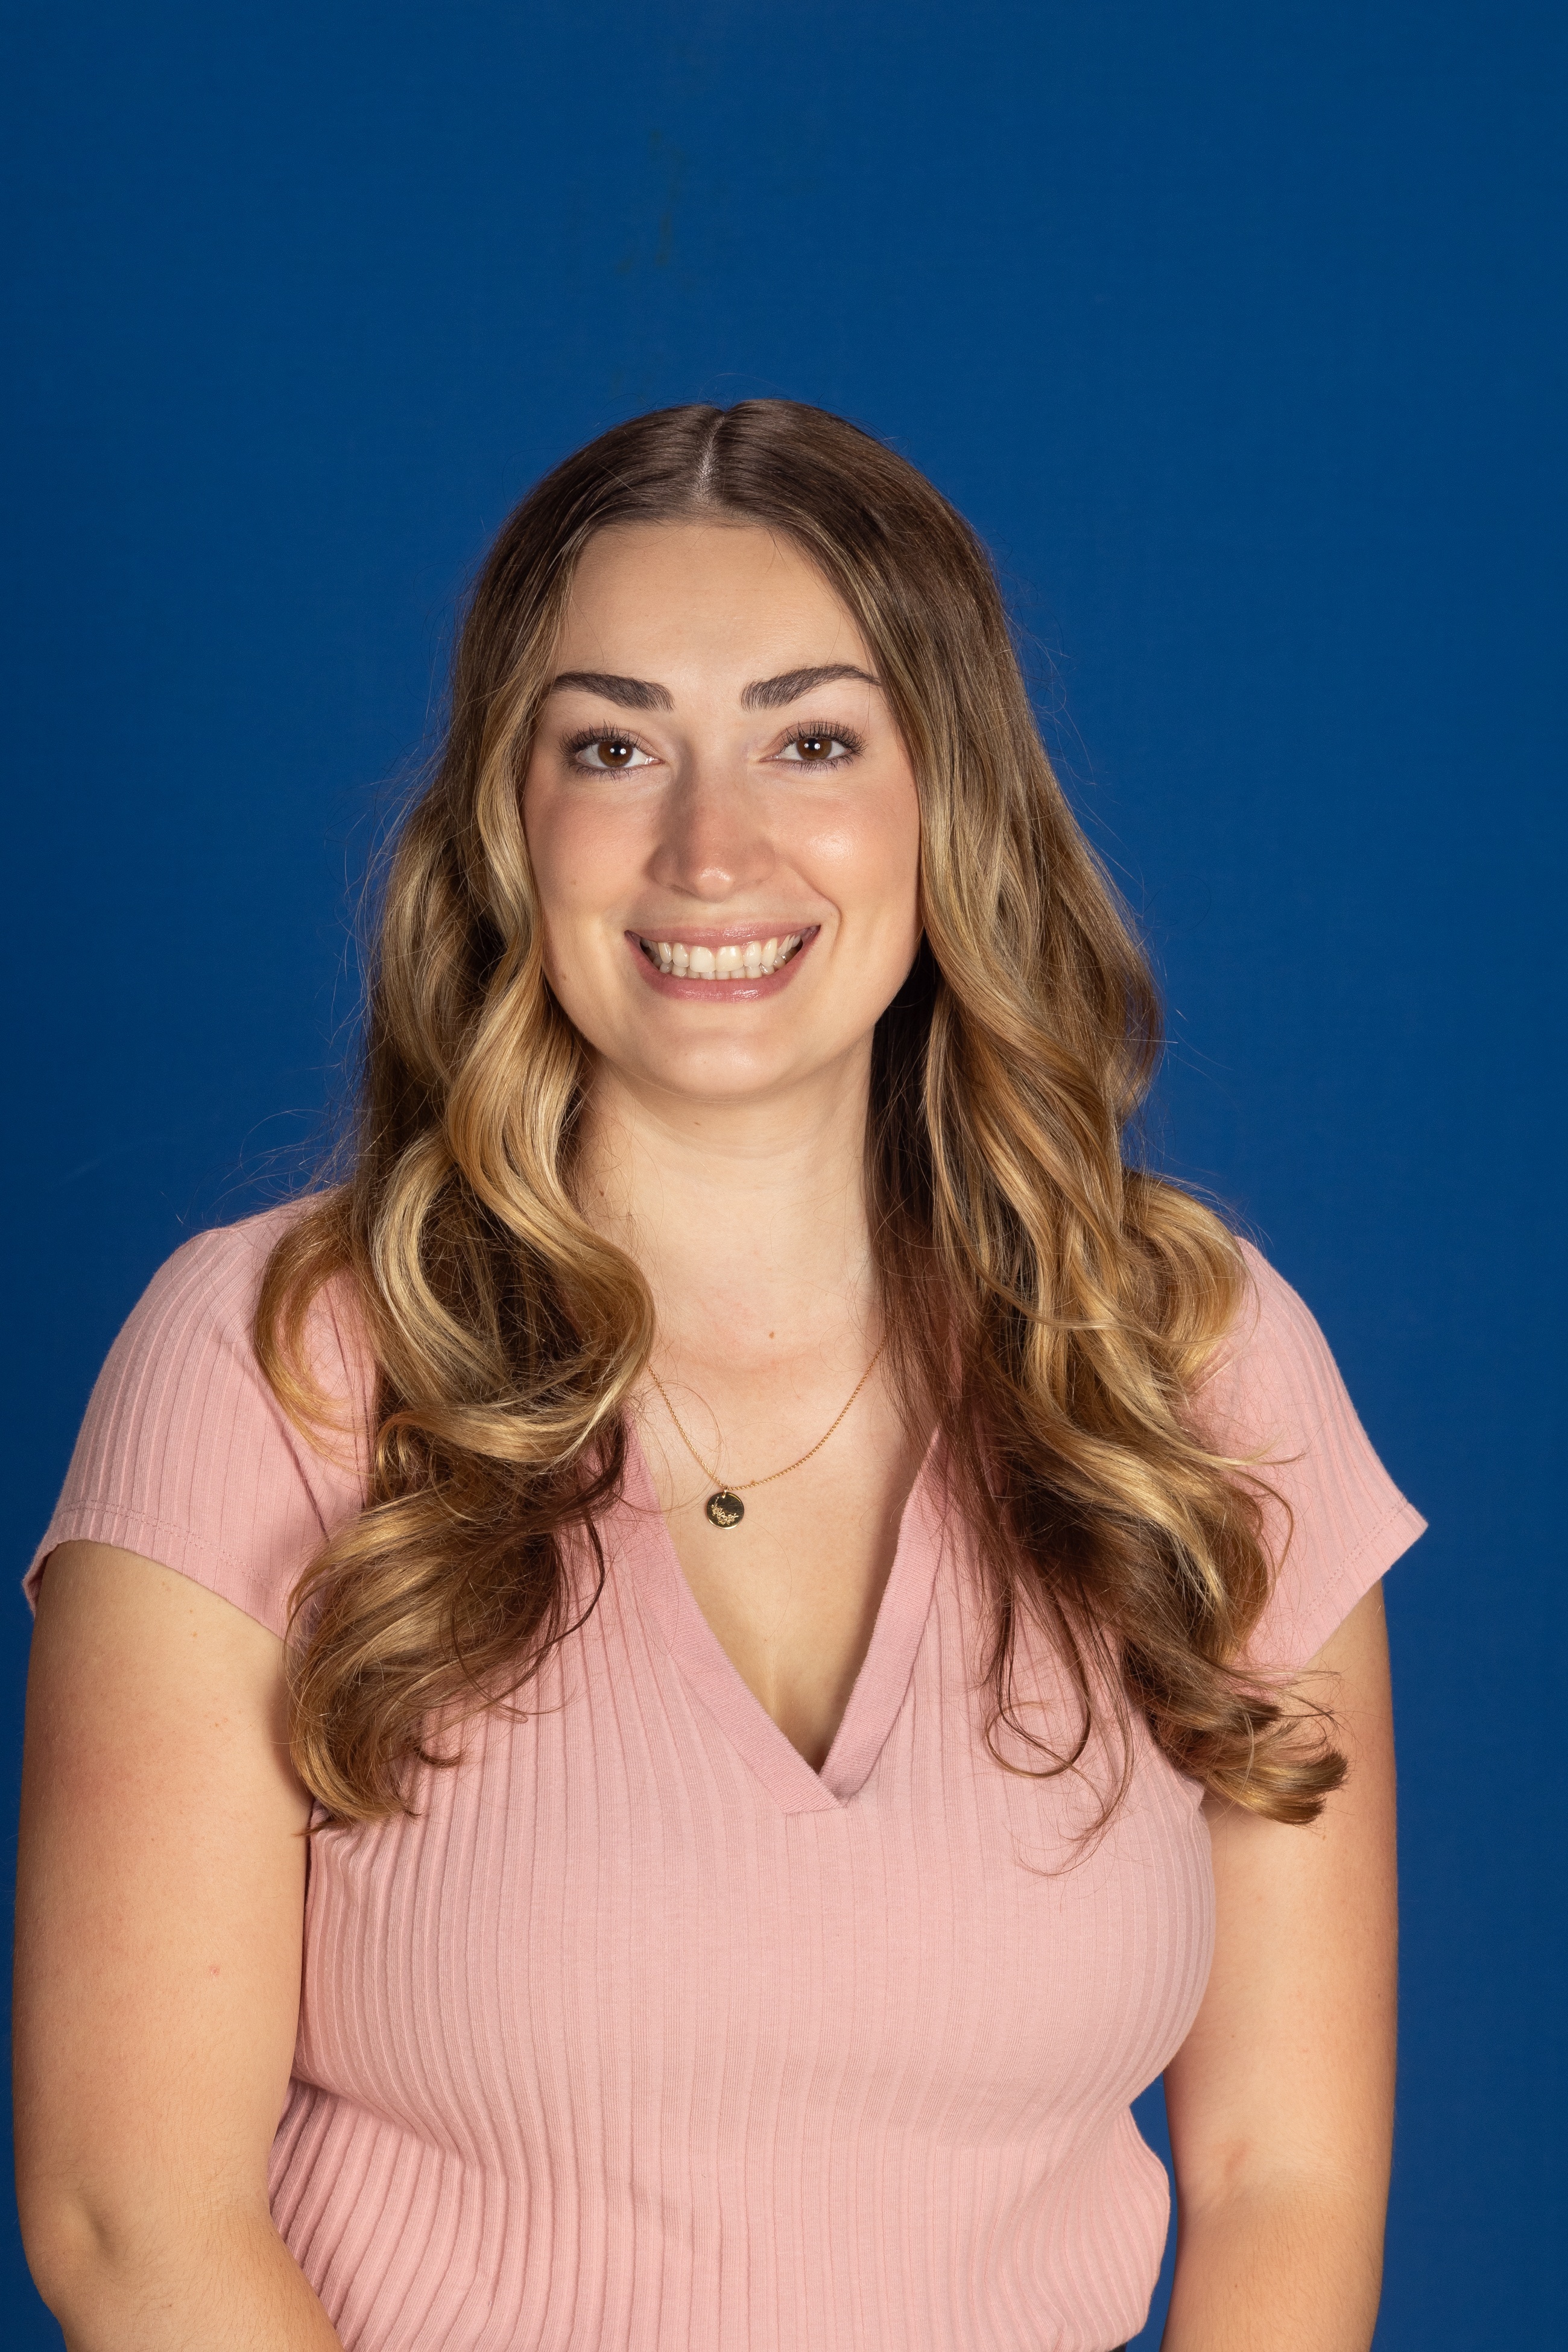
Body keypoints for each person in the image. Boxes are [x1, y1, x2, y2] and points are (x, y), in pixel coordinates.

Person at [13, 400, 1423, 2352]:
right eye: (612, 747)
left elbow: (1287, 2175)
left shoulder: (1190, 1360)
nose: (709, 849)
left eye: (812, 740)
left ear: (951, 799)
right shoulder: (274, 1359)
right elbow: (132, 2216)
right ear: (511, 821)